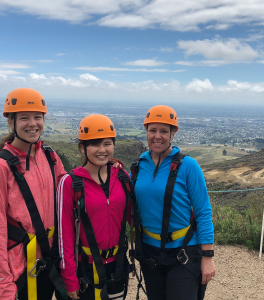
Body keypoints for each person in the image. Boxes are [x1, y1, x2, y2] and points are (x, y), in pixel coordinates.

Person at [0, 88, 67, 300]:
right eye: (24, 118)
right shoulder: (0, 167)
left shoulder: (49, 156)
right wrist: (3, 282)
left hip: (49, 258)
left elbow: (69, 190)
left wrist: (104, 169)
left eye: (38, 117)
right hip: (20, 266)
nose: (33, 124)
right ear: (11, 123)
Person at [132, 105, 215, 300]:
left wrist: (207, 257)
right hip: (150, 251)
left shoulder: (188, 166)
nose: (157, 136)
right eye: (153, 130)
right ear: (146, 131)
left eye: (163, 131)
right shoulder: (138, 166)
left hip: (183, 251)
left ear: (173, 133)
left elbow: (203, 212)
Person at [57, 114, 132, 300]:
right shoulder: (70, 183)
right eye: (94, 144)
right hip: (85, 268)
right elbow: (64, 233)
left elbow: (135, 217)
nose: (102, 150)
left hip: (117, 265)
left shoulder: (122, 178)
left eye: (107, 143)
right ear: (83, 148)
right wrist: (69, 278)